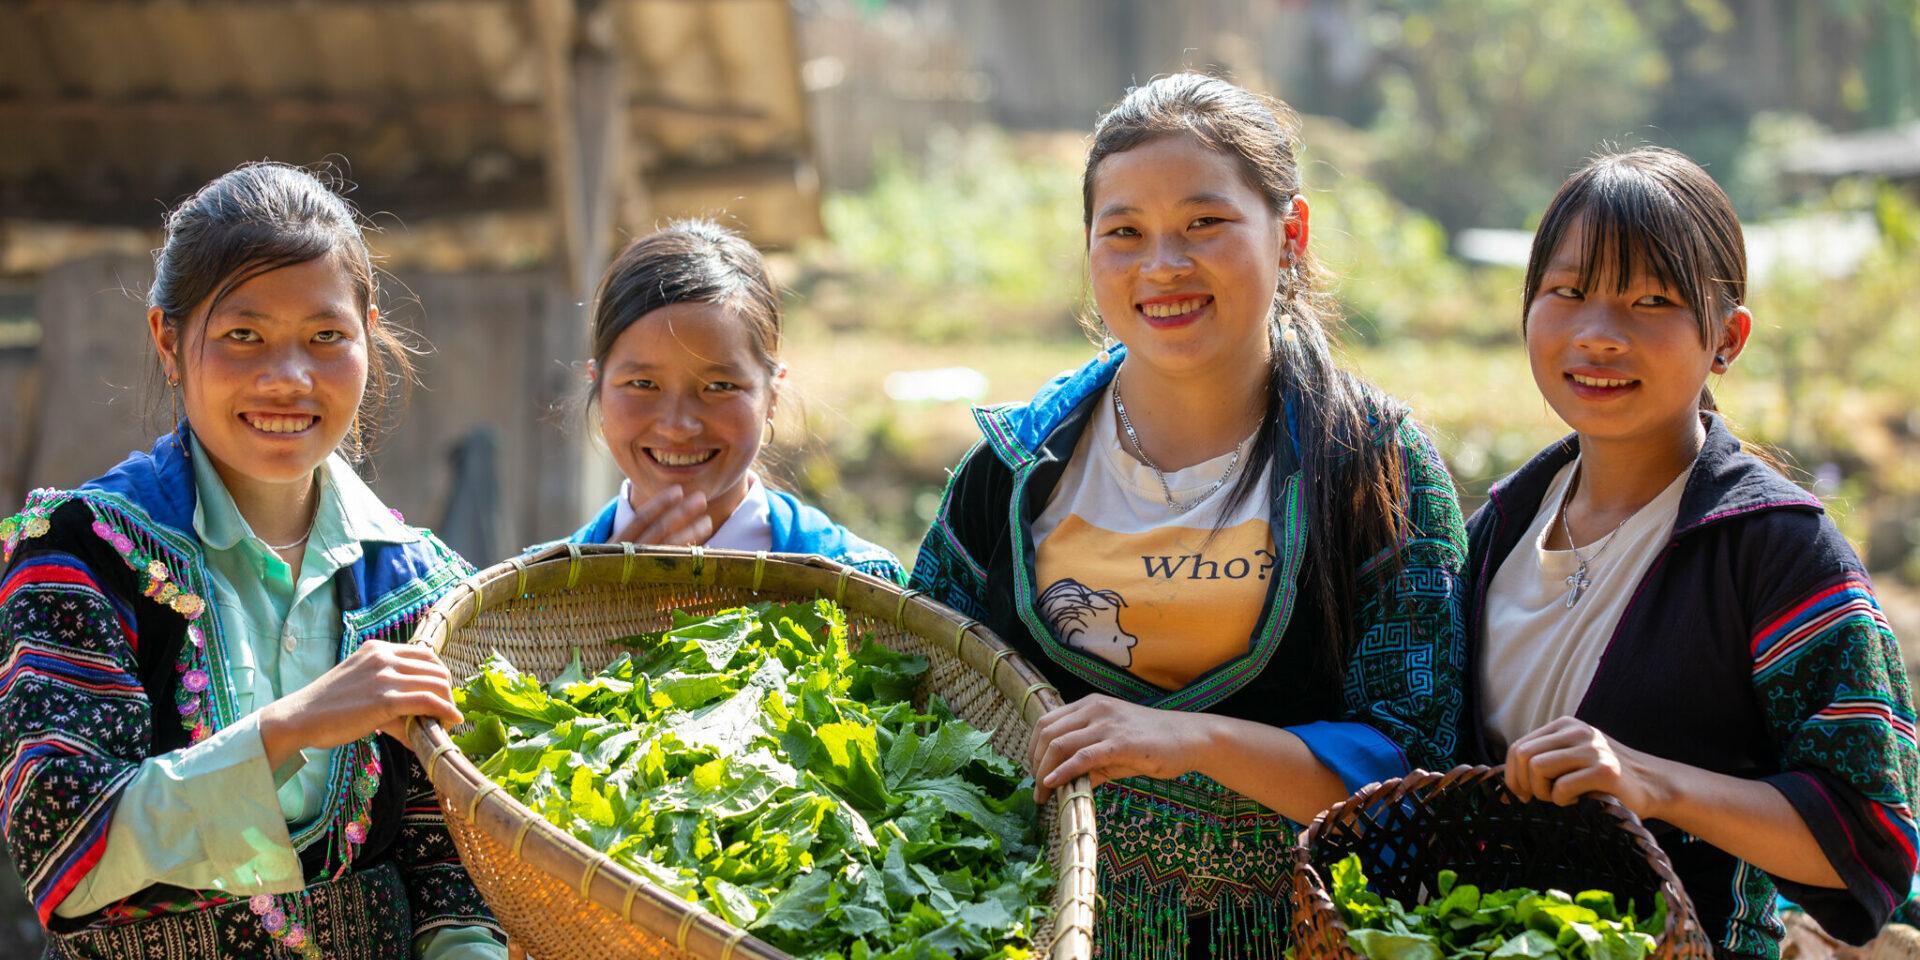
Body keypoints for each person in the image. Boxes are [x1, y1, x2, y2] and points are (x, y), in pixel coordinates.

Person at [908, 73, 1468, 958]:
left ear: (1291, 235)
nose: (1163, 265)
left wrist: (1191, 739)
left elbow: (1417, 764)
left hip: (1294, 939)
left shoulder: (1375, 471)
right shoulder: (1009, 472)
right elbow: (925, 700)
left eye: (1205, 224)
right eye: (1124, 232)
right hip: (1038, 932)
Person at [0, 163, 504, 959]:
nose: (288, 378)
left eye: (325, 336)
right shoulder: (80, 552)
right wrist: (295, 725)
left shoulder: (426, 588)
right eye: (244, 335)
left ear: (368, 333)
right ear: (167, 338)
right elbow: (63, 847)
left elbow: (448, 868)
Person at [1465, 147, 1917, 958]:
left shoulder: (1778, 553)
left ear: (1727, 339)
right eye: (1568, 292)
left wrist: (1653, 782)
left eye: (1651, 300)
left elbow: (1872, 844)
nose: (1599, 334)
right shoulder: (1494, 532)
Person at [552, 220, 904, 583]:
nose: (678, 425)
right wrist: (591, 600)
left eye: (720, 386)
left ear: (772, 394)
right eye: (643, 383)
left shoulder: (863, 587)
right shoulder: (528, 602)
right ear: (598, 385)